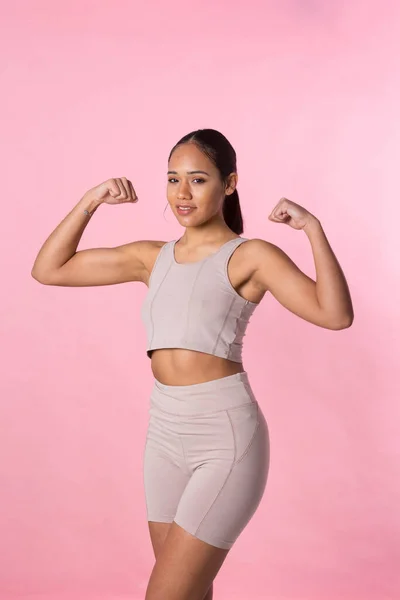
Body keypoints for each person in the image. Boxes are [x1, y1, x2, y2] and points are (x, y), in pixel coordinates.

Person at [31, 128, 354, 600]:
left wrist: (313, 230)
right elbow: (49, 269)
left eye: (198, 180)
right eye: (172, 179)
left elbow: (335, 314)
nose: (182, 193)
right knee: (189, 593)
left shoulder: (250, 256)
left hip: (224, 436)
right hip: (164, 433)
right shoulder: (150, 258)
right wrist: (91, 199)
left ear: (229, 184)